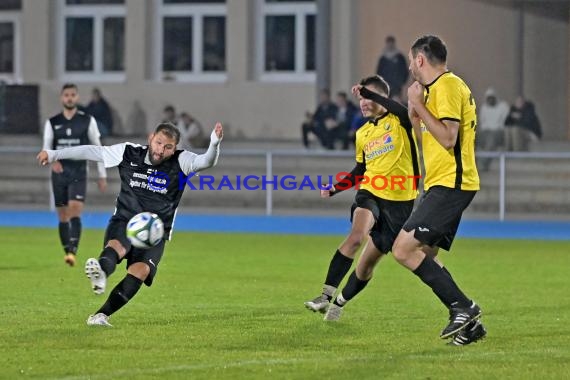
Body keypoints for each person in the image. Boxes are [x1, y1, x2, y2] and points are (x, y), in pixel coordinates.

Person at [37, 122, 223, 326]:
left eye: (168, 147)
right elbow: (93, 152)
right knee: (116, 247)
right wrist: (55, 154)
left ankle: (100, 315)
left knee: (141, 271)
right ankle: (101, 273)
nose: (161, 150)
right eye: (159, 143)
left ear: (175, 148)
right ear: (151, 138)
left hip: (155, 231)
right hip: (125, 220)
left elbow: (206, 161)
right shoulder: (128, 152)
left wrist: (214, 143)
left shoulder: (182, 161)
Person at [393, 35, 486, 346]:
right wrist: (414, 109)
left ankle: (464, 306)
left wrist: (418, 103)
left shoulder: (446, 86)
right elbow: (426, 134)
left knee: (402, 249)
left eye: (410, 60)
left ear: (420, 59)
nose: (409, 66)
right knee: (425, 254)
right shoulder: (438, 89)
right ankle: (470, 325)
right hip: (442, 184)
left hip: (451, 184)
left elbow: (448, 138)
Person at [304, 75, 419, 321]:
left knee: (366, 266)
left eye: (367, 98)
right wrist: (335, 188)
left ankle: (340, 303)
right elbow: (360, 171)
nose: (363, 103)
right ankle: (324, 296)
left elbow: (400, 107)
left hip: (401, 202)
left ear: (381, 98)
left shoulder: (400, 120)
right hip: (370, 192)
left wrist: (371, 93)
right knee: (357, 236)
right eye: (360, 100)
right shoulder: (363, 133)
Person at [42, 83, 107, 267]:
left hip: (79, 172)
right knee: (63, 215)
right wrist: (51, 160)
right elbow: (46, 147)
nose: (69, 98)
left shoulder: (87, 120)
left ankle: (72, 252)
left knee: (75, 209)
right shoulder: (52, 122)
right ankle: (67, 249)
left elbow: (98, 148)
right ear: (62, 98)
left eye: (72, 95)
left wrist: (102, 175)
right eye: (66, 95)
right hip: (60, 174)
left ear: (77, 98)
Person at [477, 87, 509, 171]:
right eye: (488, 98)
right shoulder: (484, 108)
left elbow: (505, 123)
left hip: (499, 132)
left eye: (492, 98)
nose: (490, 100)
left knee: (491, 139)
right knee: (470, 137)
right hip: (486, 132)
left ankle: (484, 163)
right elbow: (483, 123)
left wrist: (494, 130)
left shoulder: (503, 106)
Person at [376, 36, 409, 100]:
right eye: (388, 43)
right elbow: (379, 72)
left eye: (391, 43)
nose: (390, 45)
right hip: (385, 87)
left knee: (396, 104)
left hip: (397, 88)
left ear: (394, 43)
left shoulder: (400, 57)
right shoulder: (383, 59)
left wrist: (400, 83)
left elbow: (405, 71)